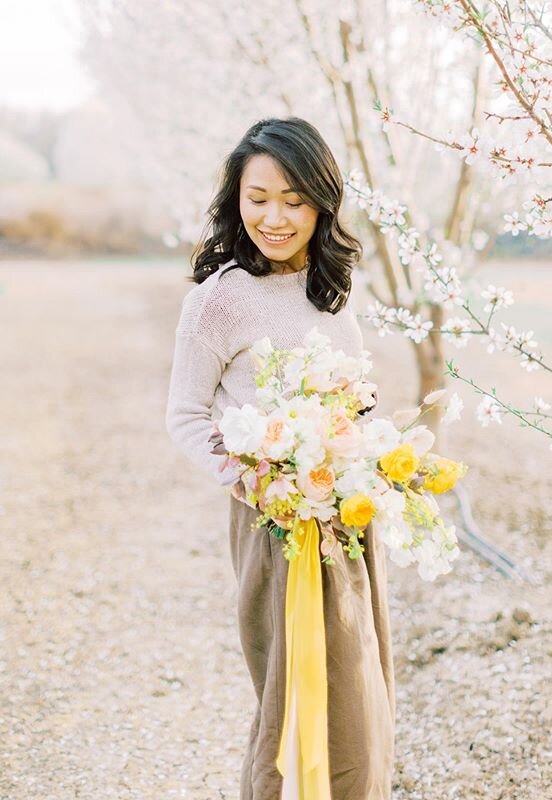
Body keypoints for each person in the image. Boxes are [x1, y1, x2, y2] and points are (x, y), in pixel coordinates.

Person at [165, 117, 395, 800]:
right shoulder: (217, 301)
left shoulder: (331, 287)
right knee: (289, 695)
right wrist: (255, 480)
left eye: (294, 200)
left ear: (323, 203)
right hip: (274, 525)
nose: (274, 216)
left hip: (347, 519)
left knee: (358, 687)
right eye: (257, 196)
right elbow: (184, 415)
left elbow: (353, 394)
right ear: (235, 195)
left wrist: (366, 444)